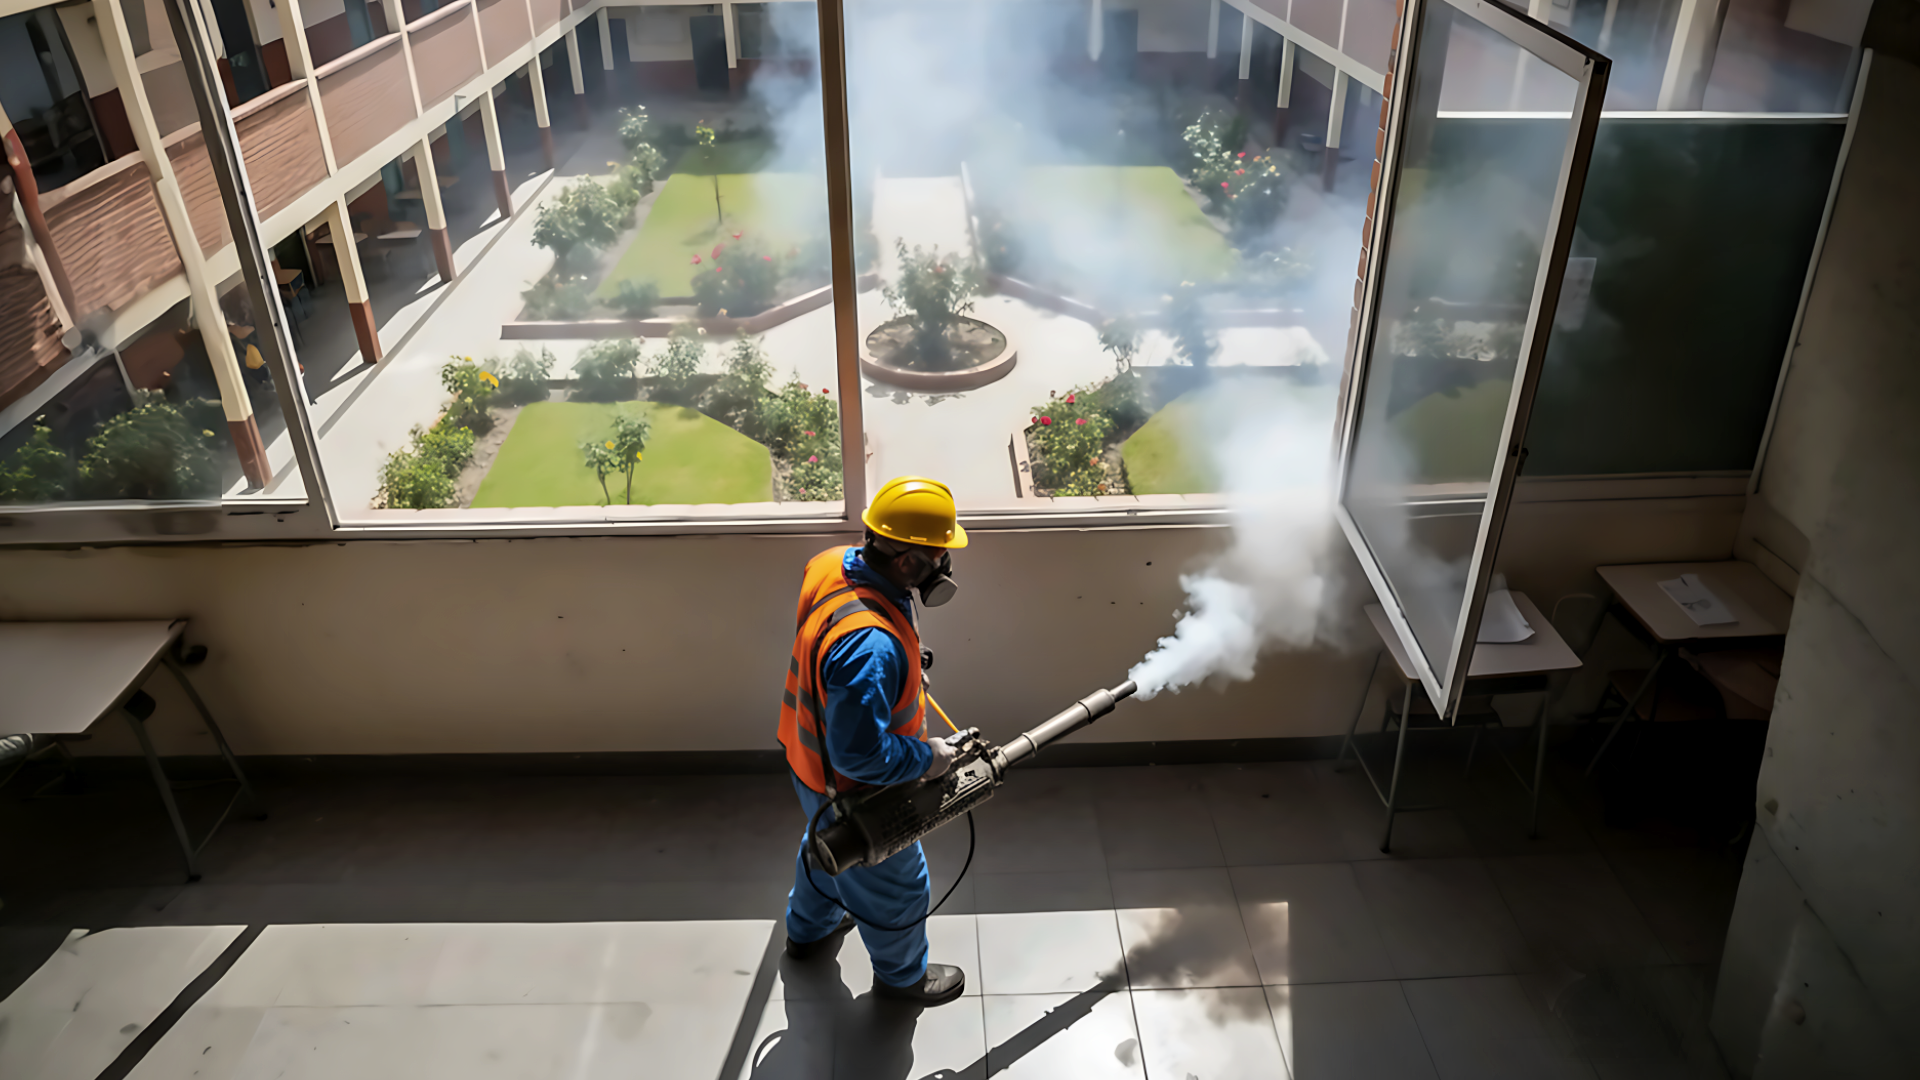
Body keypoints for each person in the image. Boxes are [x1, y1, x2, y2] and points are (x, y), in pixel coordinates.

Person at [776, 475, 969, 1006]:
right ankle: (904, 980)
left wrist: (904, 668)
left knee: (825, 850)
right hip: (855, 788)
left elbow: (836, 647)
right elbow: (860, 754)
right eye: (938, 556)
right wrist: (928, 758)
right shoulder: (871, 647)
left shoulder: (831, 564)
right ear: (907, 561)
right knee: (899, 886)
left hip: (806, 761)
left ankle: (806, 934)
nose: (945, 566)